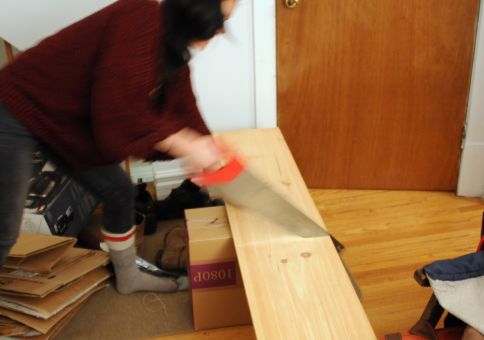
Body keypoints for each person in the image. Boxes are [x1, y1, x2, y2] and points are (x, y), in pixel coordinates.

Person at [0, 0, 237, 294]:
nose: (220, 28)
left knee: (120, 193)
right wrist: (180, 143)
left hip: (62, 122)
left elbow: (182, 106)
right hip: (15, 107)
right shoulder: (140, 18)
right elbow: (116, 119)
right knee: (5, 230)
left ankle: (129, 278)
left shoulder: (170, 41)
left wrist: (208, 148)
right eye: (221, 16)